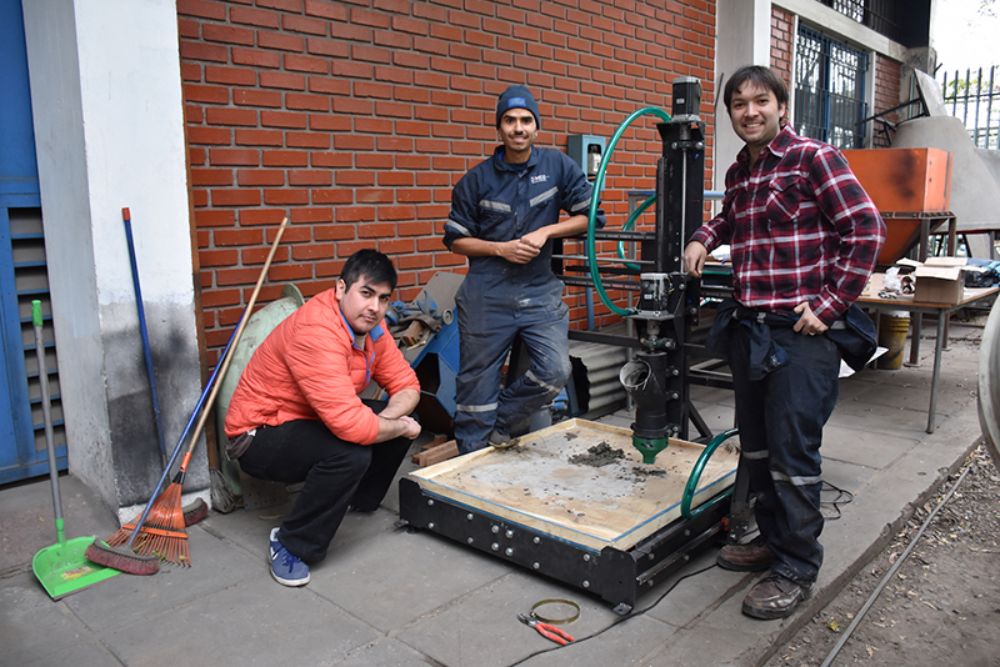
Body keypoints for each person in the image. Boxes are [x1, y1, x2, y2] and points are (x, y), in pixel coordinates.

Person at [684, 66, 885, 619]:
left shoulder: (813, 158)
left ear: (780, 105)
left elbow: (865, 229)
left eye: (761, 101)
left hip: (801, 334)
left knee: (793, 454)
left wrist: (828, 305)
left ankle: (797, 566)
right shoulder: (739, 172)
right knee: (758, 447)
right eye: (739, 104)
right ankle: (773, 540)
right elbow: (731, 218)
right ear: (730, 113)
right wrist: (704, 237)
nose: (750, 112)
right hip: (752, 328)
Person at [224, 249, 421, 587]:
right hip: (256, 434)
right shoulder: (317, 330)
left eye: (384, 298)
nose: (375, 307)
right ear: (341, 288)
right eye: (366, 293)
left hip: (308, 417)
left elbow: (407, 385)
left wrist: (388, 423)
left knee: (388, 425)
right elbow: (351, 426)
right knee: (351, 451)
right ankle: (290, 544)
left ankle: (354, 500)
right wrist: (393, 426)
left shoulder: (373, 328)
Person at [443, 84, 605, 454]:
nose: (518, 128)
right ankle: (470, 457)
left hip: (538, 290)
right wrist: (500, 248)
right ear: (498, 129)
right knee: (476, 385)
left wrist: (548, 229)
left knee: (554, 370)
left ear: (536, 127)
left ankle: (501, 421)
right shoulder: (476, 180)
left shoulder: (558, 167)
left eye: (526, 120)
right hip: (487, 292)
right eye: (510, 120)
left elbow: (589, 216)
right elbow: (455, 240)